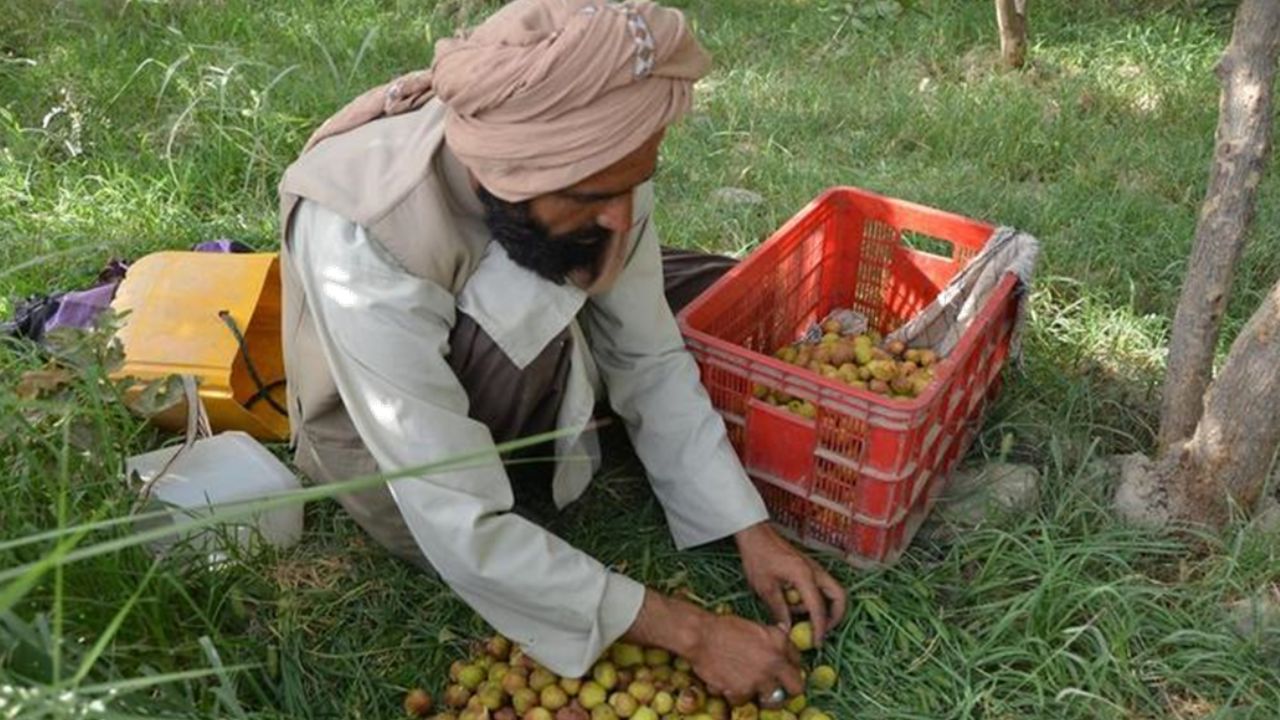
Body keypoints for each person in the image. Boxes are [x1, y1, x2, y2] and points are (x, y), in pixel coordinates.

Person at [277, 0, 846, 707]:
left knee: (725, 288)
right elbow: (457, 519)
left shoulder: (589, 174)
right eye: (594, 196)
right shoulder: (363, 235)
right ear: (507, 177)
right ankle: (569, 403)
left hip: (522, 308)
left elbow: (647, 355)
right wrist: (694, 635)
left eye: (633, 182)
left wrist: (747, 526)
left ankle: (591, 381)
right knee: (602, 293)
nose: (622, 217)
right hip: (405, 463)